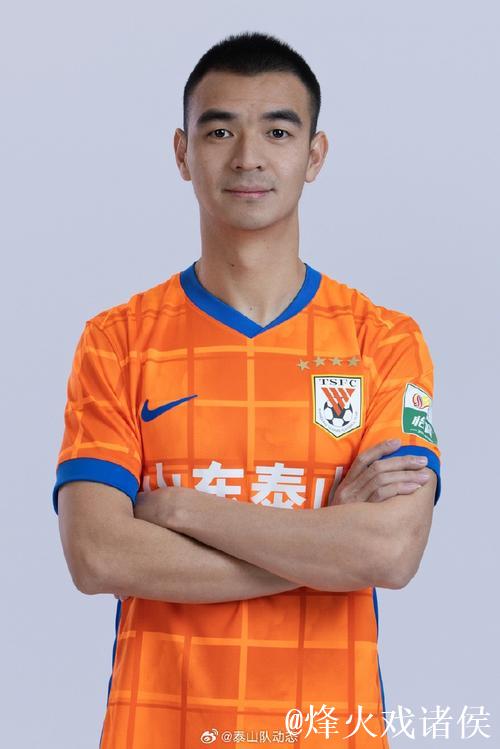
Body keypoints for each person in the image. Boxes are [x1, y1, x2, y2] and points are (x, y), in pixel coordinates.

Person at [52, 31, 441, 749]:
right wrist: (324, 547)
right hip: (157, 729)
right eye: (220, 130)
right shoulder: (118, 340)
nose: (248, 157)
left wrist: (184, 510)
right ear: (182, 153)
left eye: (278, 131)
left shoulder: (383, 340)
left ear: (314, 156)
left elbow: (389, 551)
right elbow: (98, 555)